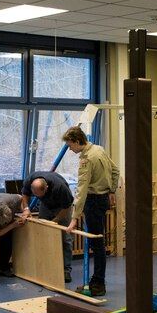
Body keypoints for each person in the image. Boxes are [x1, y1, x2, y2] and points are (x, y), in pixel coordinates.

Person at [63, 126, 119, 299]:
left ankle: (98, 284)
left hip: (93, 201)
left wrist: (73, 218)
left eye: (70, 145)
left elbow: (81, 190)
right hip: (102, 199)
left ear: (78, 141)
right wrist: (111, 191)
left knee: (97, 243)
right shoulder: (99, 149)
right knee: (98, 242)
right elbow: (115, 170)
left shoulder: (86, 159)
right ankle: (95, 281)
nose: (70, 149)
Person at [22, 170, 75, 283]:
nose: (36, 197)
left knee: (66, 239)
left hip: (62, 207)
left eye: (38, 195)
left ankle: (66, 271)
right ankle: (45, 267)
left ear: (46, 188)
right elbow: (25, 194)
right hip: (45, 205)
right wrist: (26, 209)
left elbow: (67, 208)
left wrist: (55, 221)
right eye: (34, 194)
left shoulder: (60, 187)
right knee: (42, 235)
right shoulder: (30, 179)